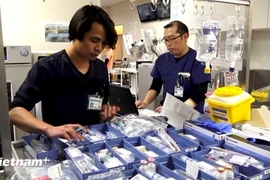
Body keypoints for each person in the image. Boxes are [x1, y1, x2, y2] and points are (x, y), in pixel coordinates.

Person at [9, 5, 119, 142]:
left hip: (94, 144)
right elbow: (14, 112)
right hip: (60, 145)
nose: (99, 48)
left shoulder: (100, 67)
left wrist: (105, 113)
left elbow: (101, 103)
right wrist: (49, 129)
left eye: (104, 43)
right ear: (77, 33)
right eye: (94, 40)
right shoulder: (48, 67)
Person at [136, 21, 211, 114]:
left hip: (190, 116)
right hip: (165, 113)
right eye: (166, 40)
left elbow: (200, 94)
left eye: (172, 39)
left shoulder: (199, 60)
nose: (168, 44)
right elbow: (155, 86)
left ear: (185, 37)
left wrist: (175, 111)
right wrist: (145, 102)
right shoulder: (162, 60)